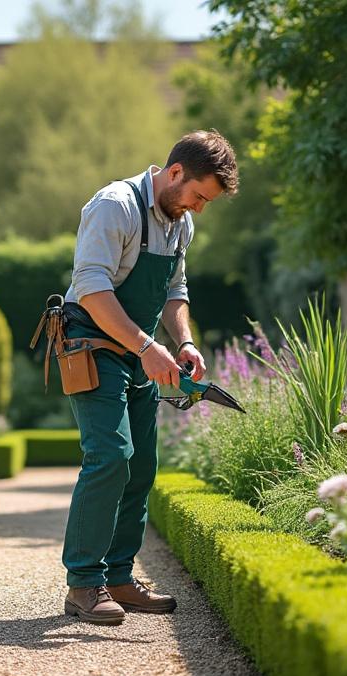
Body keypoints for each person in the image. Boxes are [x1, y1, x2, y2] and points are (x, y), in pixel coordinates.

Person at [60, 130, 238, 624]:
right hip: (91, 345)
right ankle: (83, 584)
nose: (200, 208)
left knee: (141, 467)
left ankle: (119, 577)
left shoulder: (180, 224)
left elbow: (174, 288)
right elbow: (92, 287)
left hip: (141, 350)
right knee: (110, 456)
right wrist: (146, 346)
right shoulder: (114, 206)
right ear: (175, 172)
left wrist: (182, 342)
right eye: (199, 196)